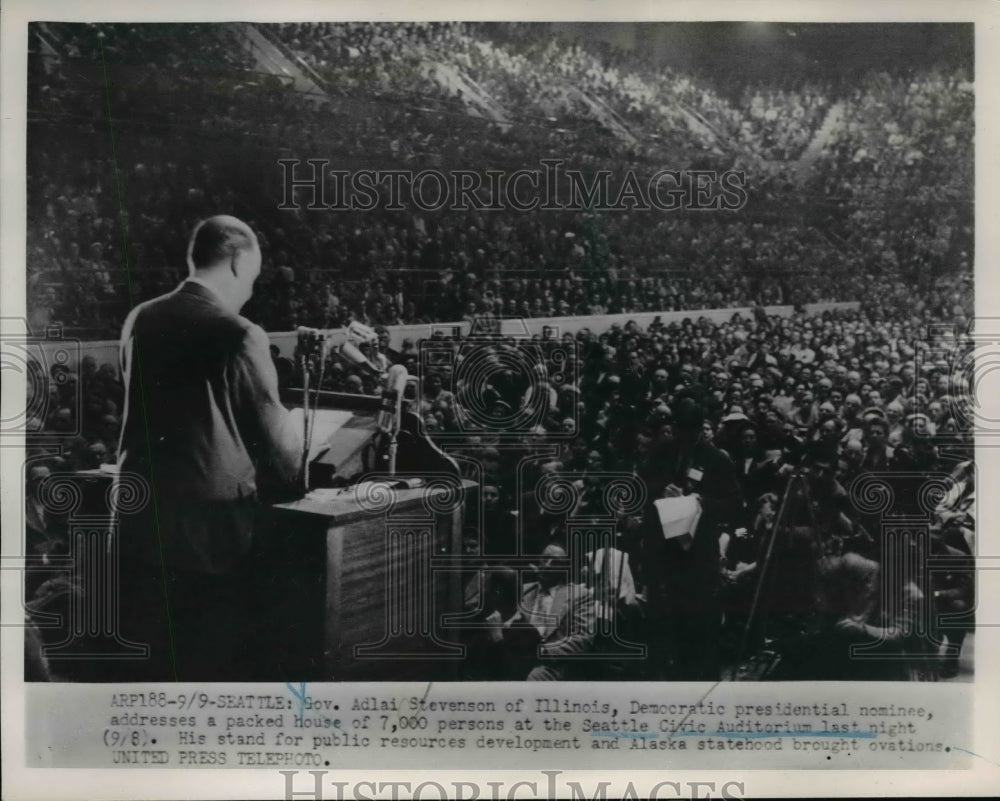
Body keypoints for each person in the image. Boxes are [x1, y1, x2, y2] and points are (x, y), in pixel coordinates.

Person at [114, 215, 302, 680]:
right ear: (238, 262)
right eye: (254, 279)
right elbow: (281, 455)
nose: (252, 292)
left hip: (136, 528)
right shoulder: (239, 333)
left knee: (148, 670)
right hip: (209, 540)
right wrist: (297, 427)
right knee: (207, 666)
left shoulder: (140, 319)